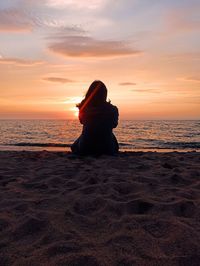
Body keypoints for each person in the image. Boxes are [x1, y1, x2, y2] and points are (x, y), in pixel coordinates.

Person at [71, 80, 119, 156]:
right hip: (107, 148)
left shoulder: (84, 108)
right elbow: (114, 124)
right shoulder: (113, 109)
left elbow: (82, 121)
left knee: (75, 144)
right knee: (110, 136)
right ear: (105, 94)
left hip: (86, 147)